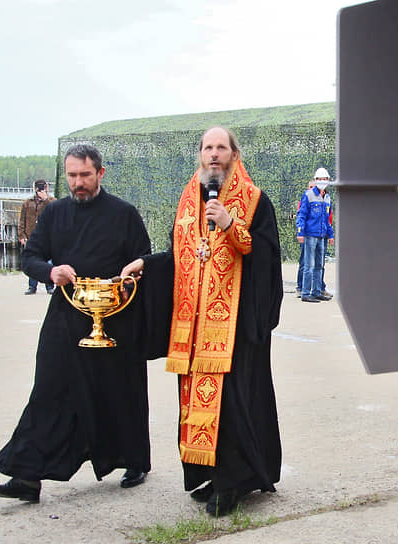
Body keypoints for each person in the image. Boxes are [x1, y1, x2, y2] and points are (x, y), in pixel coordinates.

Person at [121, 126, 283, 517]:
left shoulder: (255, 200)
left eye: (221, 148)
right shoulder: (188, 198)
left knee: (232, 406)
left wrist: (230, 224)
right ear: (200, 154)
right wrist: (149, 263)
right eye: (208, 148)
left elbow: (266, 257)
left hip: (236, 328)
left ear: (233, 154)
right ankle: (209, 475)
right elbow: (183, 255)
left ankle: (235, 482)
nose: (214, 154)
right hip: (193, 327)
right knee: (196, 405)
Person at [0, 144, 152, 503]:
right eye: (72, 175)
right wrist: (50, 271)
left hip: (115, 318)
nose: (78, 182)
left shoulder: (124, 214)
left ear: (100, 174)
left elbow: (144, 258)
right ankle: (26, 478)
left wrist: (131, 275)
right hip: (64, 317)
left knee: (122, 391)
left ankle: (134, 460)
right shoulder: (54, 213)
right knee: (47, 392)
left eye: (85, 175)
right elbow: (29, 259)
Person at [295, 167, 334, 302]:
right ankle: (306, 293)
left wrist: (331, 235)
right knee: (309, 265)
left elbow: (327, 218)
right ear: (315, 180)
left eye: (325, 179)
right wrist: (300, 232)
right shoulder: (308, 195)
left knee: (319, 265)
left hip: (322, 235)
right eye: (319, 179)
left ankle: (317, 291)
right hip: (310, 235)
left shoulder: (327, 198)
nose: (322, 181)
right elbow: (302, 214)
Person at [18, 179, 55, 294]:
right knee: (32, 262)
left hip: (47, 237)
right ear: (34, 188)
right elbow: (22, 220)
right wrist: (21, 235)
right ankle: (32, 287)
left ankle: (49, 287)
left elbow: (56, 210)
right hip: (31, 236)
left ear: (46, 188)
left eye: (42, 187)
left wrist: (45, 199)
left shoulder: (51, 201)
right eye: (38, 187)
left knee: (48, 262)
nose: (40, 190)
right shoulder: (27, 202)